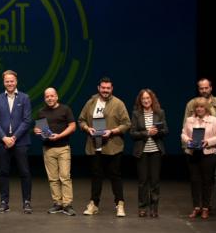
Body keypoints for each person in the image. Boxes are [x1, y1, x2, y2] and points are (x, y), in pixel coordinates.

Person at [78, 77, 131, 217]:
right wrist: (87, 128)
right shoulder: (91, 102)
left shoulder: (118, 103)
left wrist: (112, 131)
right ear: (98, 88)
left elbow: (127, 123)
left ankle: (120, 204)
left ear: (111, 89)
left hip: (113, 146)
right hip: (95, 146)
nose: (105, 90)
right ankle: (94, 204)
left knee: (115, 176)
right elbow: (81, 120)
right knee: (96, 176)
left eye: (108, 88)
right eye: (103, 88)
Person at [0, 70, 33, 214]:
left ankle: (27, 202)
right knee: (3, 172)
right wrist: (4, 138)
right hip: (3, 142)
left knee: (24, 172)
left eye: (12, 81)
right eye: (7, 81)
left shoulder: (25, 98)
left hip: (20, 141)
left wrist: (14, 138)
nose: (9, 83)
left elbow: (27, 121)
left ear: (16, 82)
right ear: (4, 82)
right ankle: (4, 202)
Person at [33, 87, 77, 216]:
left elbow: (73, 126)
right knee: (53, 178)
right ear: (45, 98)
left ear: (56, 97)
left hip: (63, 148)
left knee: (64, 177)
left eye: (52, 96)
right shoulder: (41, 112)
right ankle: (57, 203)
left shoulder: (65, 109)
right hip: (48, 149)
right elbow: (39, 129)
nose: (50, 98)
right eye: (47, 96)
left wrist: (60, 135)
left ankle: (67, 204)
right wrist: (36, 130)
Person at [181, 97, 216, 219]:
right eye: (197, 107)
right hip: (193, 153)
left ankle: (205, 208)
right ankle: (196, 207)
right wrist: (188, 139)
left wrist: (207, 141)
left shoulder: (214, 120)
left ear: (206, 108)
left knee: (207, 182)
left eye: (202, 106)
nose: (199, 109)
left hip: (208, 154)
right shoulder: (189, 120)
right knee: (195, 181)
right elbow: (183, 133)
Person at [129, 88, 168, 218]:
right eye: (143, 99)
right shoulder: (136, 114)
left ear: (152, 100)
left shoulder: (159, 112)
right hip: (142, 151)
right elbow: (132, 133)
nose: (146, 100)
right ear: (140, 101)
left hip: (156, 150)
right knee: (143, 181)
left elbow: (165, 131)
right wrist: (146, 133)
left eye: (148, 98)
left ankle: (154, 208)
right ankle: (142, 208)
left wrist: (158, 132)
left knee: (155, 181)